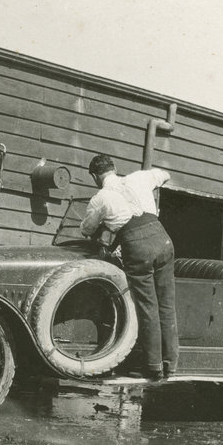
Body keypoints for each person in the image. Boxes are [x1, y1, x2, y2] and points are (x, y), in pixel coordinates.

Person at [80, 154, 178, 382]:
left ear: (95, 176)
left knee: (147, 306)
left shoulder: (100, 197)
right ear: (114, 169)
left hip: (138, 246)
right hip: (163, 238)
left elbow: (86, 229)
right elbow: (165, 175)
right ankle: (171, 365)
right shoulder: (138, 178)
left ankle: (153, 367)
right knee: (166, 304)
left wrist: (106, 225)